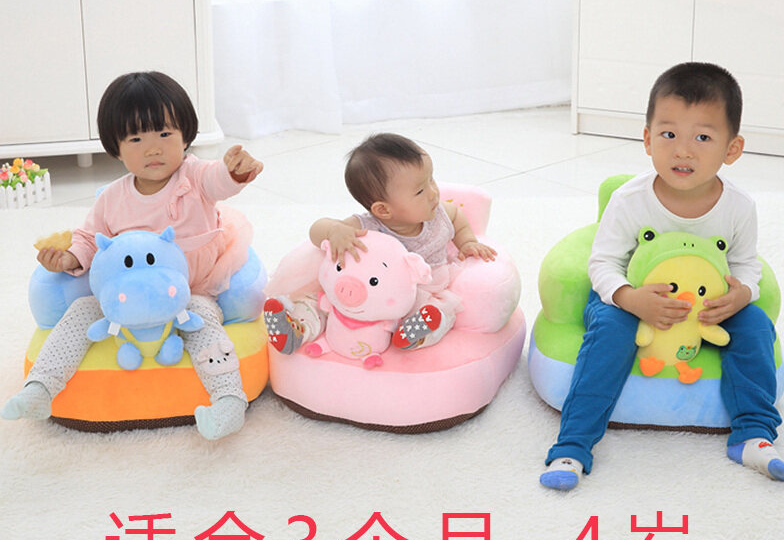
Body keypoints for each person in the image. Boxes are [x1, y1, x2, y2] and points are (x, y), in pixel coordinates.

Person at [540, 62, 784, 490]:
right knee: (608, 330)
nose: (683, 151)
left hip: (707, 307)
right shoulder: (630, 200)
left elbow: (748, 264)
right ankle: (573, 445)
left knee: (754, 324)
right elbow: (602, 263)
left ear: (732, 148)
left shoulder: (738, 207)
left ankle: (754, 434)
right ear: (647, 139)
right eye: (669, 134)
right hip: (636, 298)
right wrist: (629, 298)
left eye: (703, 138)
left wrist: (741, 294)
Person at [2, 72, 263, 440]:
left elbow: (218, 179)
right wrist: (70, 258)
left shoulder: (193, 176)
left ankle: (228, 400)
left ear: (186, 135)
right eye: (136, 139)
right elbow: (89, 238)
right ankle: (41, 388)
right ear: (116, 147)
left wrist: (233, 171)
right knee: (79, 313)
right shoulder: (112, 197)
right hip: (126, 299)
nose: (152, 149)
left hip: (189, 290)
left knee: (204, 322)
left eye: (165, 134)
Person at [264, 132, 496, 354]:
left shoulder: (440, 214)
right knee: (322, 301)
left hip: (425, 288)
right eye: (420, 191)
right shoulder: (367, 227)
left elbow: (457, 218)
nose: (434, 193)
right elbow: (316, 231)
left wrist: (467, 241)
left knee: (441, 308)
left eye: (431, 180)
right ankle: (298, 329)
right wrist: (334, 230)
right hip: (372, 294)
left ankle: (416, 335)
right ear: (383, 210)